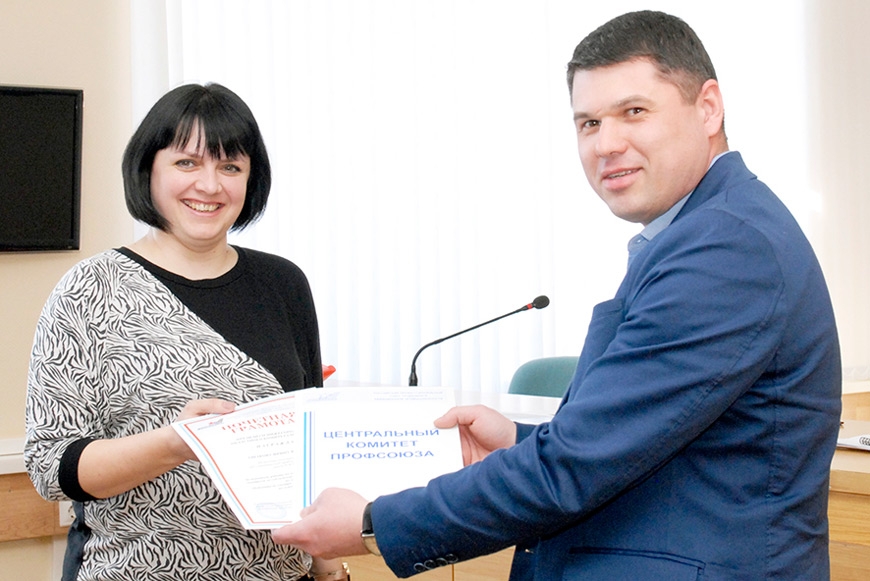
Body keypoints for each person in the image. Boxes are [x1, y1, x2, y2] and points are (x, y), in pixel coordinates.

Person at [271, 10, 841, 580]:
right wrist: (519, 441)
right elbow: (644, 446)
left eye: (634, 112)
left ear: (708, 107)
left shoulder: (726, 248)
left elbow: (576, 467)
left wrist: (374, 523)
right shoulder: (703, 229)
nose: (606, 144)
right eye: (588, 123)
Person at [25, 83, 347, 580]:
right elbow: (52, 468)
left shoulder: (284, 284)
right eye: (187, 162)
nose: (210, 185)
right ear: (148, 169)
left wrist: (328, 571)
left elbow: (309, 460)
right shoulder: (89, 289)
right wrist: (174, 443)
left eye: (230, 167)